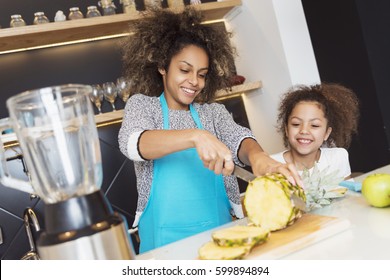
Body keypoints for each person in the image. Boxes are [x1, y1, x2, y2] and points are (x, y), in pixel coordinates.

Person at [118, 7, 301, 253]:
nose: (194, 81)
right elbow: (134, 143)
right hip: (165, 246)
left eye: (202, 74)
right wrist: (196, 136)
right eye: (185, 70)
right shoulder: (143, 106)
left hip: (222, 235)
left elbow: (239, 139)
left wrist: (259, 158)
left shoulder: (212, 113)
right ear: (163, 66)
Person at [271, 83, 359, 180]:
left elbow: (349, 194)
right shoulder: (271, 165)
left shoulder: (338, 157)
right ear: (286, 130)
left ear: (326, 133)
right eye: (296, 124)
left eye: (314, 125)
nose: (304, 130)